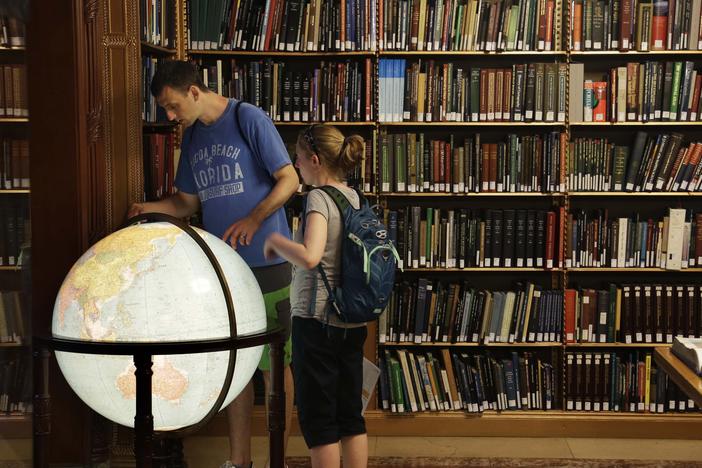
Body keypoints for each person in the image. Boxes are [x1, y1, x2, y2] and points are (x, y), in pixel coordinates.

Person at [127, 60, 297, 468]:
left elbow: (290, 179)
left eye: (171, 106)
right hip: (226, 270)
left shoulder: (247, 118)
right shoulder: (192, 140)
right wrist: (145, 209)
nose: (169, 117)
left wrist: (254, 219)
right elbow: (186, 203)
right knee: (237, 367)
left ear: (194, 92)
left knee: (276, 365)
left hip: (270, 262)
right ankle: (239, 461)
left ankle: (278, 458)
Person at [263, 124, 368, 468]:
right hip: (351, 321)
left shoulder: (319, 198)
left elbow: (310, 255)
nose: (295, 166)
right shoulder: (354, 197)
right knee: (350, 415)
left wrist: (276, 242)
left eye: (297, 159)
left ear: (314, 159)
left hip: (317, 321)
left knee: (320, 421)